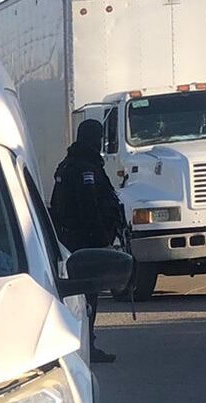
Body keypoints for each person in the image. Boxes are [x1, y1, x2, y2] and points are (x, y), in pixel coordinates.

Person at [51, 118, 122, 364]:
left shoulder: (71, 164)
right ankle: (85, 345)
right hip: (85, 241)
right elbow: (89, 206)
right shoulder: (84, 169)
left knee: (87, 295)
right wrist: (102, 235)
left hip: (74, 239)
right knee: (88, 295)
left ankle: (86, 343)